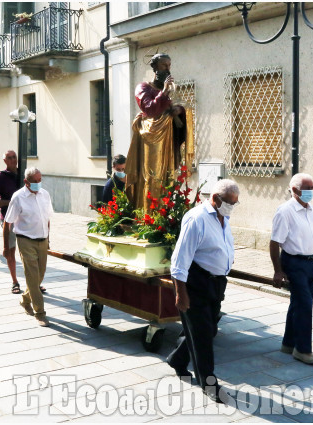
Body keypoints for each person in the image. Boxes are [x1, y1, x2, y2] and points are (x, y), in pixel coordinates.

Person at [166, 179, 239, 404]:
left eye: (236, 203)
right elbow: (180, 259)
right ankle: (209, 384)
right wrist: (181, 292)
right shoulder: (197, 219)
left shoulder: (223, 218)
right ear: (215, 199)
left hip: (216, 284)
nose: (232, 207)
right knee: (203, 335)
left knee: (207, 328)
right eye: (229, 202)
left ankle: (177, 360)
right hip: (196, 283)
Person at [270, 173, 313, 365]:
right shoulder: (285, 211)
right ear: (295, 191)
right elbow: (274, 243)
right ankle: (303, 350)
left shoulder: (311, 209)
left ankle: (288, 344)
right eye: (308, 189)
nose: (311, 192)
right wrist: (278, 270)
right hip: (294, 263)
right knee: (305, 305)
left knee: (298, 304)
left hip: (312, 263)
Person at [125, 53, 190, 211]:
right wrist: (165, 92)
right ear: (154, 68)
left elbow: (182, 105)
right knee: (152, 176)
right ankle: (149, 215)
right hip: (151, 137)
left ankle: (163, 214)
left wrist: (179, 110)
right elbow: (150, 109)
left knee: (167, 176)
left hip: (168, 138)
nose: (168, 69)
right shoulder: (143, 87)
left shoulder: (169, 90)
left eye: (169, 65)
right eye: (164, 66)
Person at [3, 167, 54, 327]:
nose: (39, 184)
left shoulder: (45, 194)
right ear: (26, 182)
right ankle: (40, 312)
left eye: (40, 180)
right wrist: (6, 246)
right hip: (25, 239)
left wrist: (48, 238)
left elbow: (47, 218)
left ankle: (25, 299)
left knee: (40, 275)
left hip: (42, 239)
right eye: (35, 181)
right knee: (32, 276)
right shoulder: (18, 197)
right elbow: (7, 222)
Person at [0, 150, 23, 294]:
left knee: (28, 252)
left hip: (24, 220)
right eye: (9, 158)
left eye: (14, 157)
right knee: (11, 251)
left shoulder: (23, 175)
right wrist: (12, 203)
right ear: (5, 161)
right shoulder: (1, 177)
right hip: (8, 219)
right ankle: (15, 281)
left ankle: (33, 281)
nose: (13, 160)